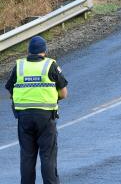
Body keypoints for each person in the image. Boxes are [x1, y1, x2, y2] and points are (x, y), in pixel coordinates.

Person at [5, 35, 68, 184]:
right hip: (46, 117)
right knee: (47, 156)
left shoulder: (19, 66)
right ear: (44, 51)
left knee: (27, 156)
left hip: (24, 117)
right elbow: (64, 93)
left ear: (29, 51)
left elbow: (10, 89)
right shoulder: (50, 65)